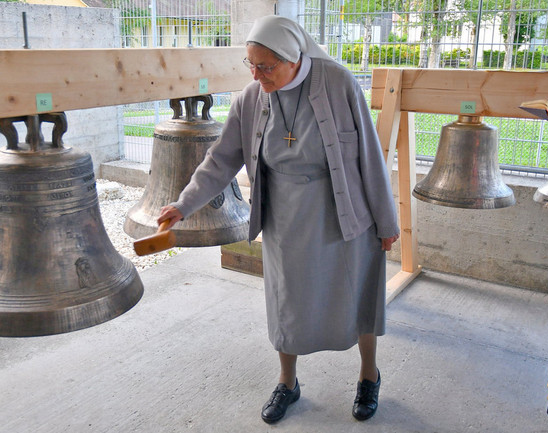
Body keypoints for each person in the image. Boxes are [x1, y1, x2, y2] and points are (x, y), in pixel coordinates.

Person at [157, 15, 400, 423]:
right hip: (285, 215)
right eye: (250, 64)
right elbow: (221, 159)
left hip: (343, 210)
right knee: (286, 303)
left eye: (265, 66)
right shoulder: (251, 96)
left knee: (358, 292)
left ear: (293, 58)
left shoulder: (338, 83)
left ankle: (368, 375)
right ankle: (288, 381)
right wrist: (184, 204)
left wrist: (386, 221)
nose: (256, 75)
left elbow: (370, 157)